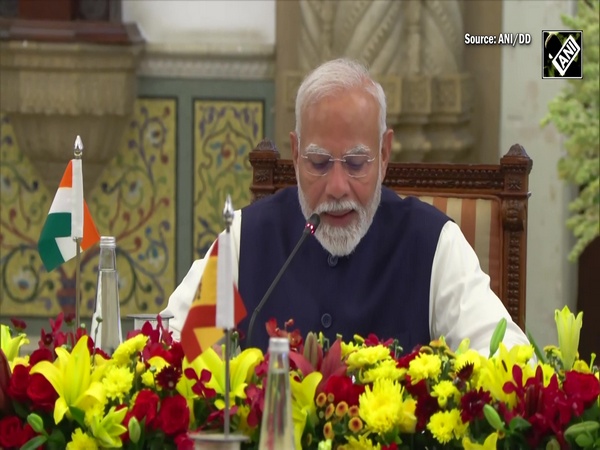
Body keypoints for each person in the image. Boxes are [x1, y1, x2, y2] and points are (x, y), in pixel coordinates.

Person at [164, 58, 531, 355]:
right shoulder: (247, 238)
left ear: (385, 154)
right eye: (319, 163)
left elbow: (509, 359)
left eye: (357, 163)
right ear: (294, 154)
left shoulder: (433, 244)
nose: (337, 188)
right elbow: (169, 350)